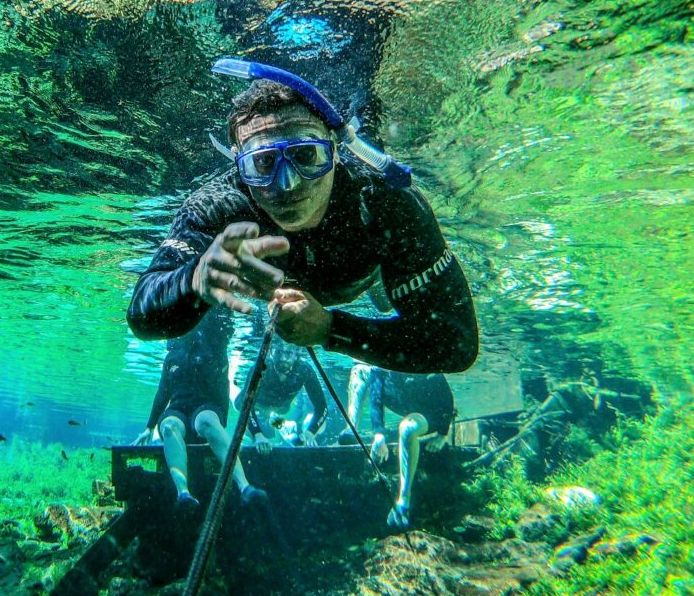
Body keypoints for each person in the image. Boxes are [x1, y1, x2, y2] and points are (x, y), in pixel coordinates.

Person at [126, 66, 479, 378]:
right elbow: (142, 315)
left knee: (387, 299)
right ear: (238, 164)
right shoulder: (216, 207)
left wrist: (331, 329)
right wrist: (193, 278)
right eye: (263, 163)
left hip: (367, 276)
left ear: (335, 150)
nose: (287, 184)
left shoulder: (385, 201)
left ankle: (380, 285)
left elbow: (457, 343)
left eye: (306, 155)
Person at [133, 315, 268, 512]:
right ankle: (183, 494)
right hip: (177, 409)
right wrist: (149, 427)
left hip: (205, 407)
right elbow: (163, 392)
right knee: (169, 427)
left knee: (207, 421)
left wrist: (221, 418)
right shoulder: (171, 357)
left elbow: (223, 383)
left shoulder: (212, 347)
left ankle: (245, 487)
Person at [344, 365, 455, 529]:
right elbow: (376, 394)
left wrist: (443, 433)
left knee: (407, 428)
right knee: (359, 370)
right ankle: (351, 428)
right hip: (400, 397)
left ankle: (404, 499)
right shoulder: (381, 358)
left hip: (427, 411)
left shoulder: (422, 358)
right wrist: (379, 434)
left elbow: (446, 397)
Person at [236, 341, 327, 452]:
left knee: (273, 418)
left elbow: (322, 407)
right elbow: (246, 404)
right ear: (271, 352)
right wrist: (258, 435)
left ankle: (277, 422)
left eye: (288, 353)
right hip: (252, 407)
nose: (283, 358)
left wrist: (311, 432)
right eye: (278, 352)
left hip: (280, 409)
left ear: (296, 355)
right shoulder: (261, 368)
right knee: (240, 407)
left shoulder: (304, 370)